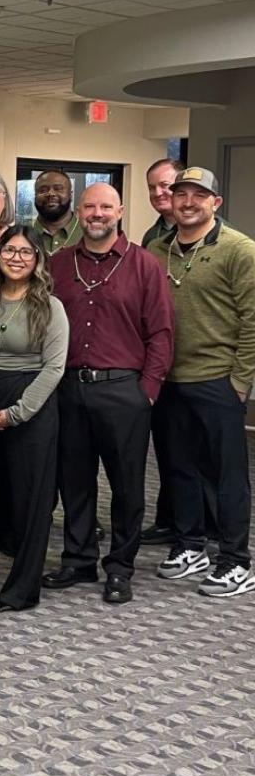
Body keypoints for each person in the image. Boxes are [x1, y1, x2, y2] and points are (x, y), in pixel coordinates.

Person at [43, 183, 173, 605]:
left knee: (127, 484)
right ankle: (79, 558)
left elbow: (161, 333)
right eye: (90, 207)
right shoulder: (59, 264)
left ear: (119, 211)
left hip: (124, 390)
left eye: (105, 207)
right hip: (69, 388)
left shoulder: (144, 265)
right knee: (74, 480)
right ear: (79, 213)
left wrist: (147, 392)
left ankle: (119, 566)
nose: (97, 214)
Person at [147, 167, 255, 597]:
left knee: (227, 475)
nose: (188, 201)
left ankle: (236, 560)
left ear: (216, 203)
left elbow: (252, 319)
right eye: (181, 194)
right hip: (170, 380)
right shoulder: (157, 250)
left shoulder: (239, 250)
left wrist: (241, 379)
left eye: (198, 194)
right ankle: (191, 545)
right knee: (178, 470)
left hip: (218, 381)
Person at [0, 227, 69, 611]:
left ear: (38, 261)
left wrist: (16, 414)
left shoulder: (50, 306)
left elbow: (54, 369)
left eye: (26, 252)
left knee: (31, 500)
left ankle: (22, 588)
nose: (16, 258)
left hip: (31, 405)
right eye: (10, 250)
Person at [138, 157, 218, 546]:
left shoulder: (216, 238)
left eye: (167, 186)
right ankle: (174, 523)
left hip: (209, 369)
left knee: (207, 458)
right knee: (172, 452)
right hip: (165, 366)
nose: (161, 194)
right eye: (153, 187)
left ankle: (211, 530)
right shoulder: (154, 239)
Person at [32, 169, 83, 256]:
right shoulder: (23, 234)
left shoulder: (87, 233)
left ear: (70, 195)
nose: (51, 193)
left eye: (58, 189)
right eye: (43, 190)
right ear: (35, 196)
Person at [141, 157, 185, 247]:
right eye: (152, 188)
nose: (157, 193)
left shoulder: (206, 230)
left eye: (164, 185)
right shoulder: (151, 237)